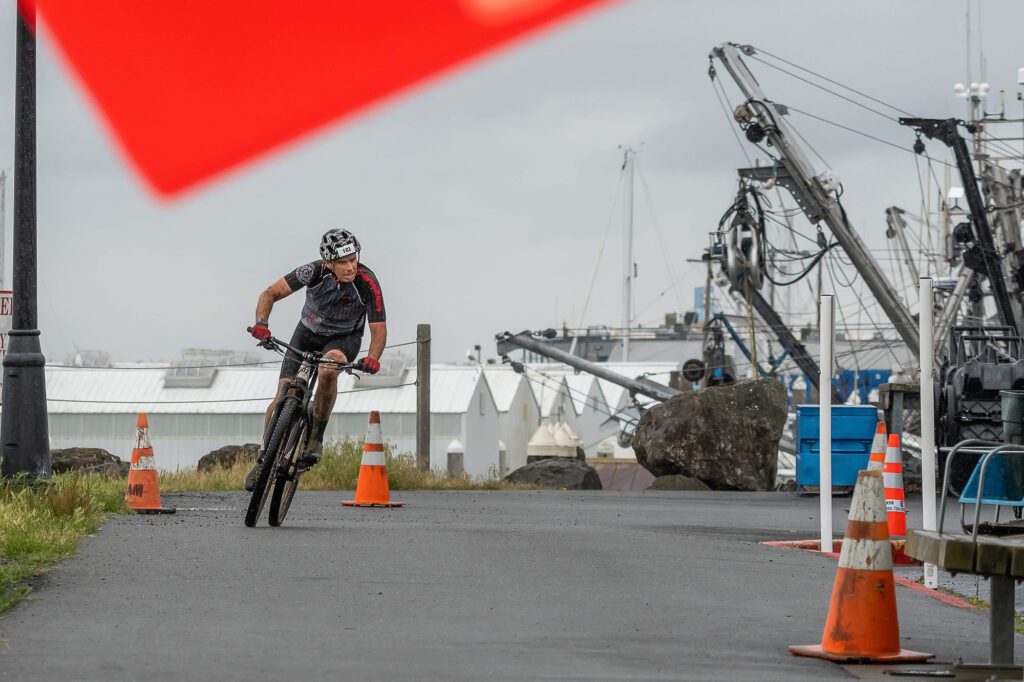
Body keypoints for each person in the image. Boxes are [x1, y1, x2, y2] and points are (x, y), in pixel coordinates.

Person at [245, 228, 386, 491]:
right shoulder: (313, 271)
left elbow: (378, 329)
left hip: (343, 339)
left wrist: (373, 357)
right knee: (281, 396)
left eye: (353, 259)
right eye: (342, 262)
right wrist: (261, 324)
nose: (350, 267)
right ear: (329, 262)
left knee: (328, 369)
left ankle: (315, 437)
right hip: (307, 333)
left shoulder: (367, 283)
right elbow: (269, 293)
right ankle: (263, 458)